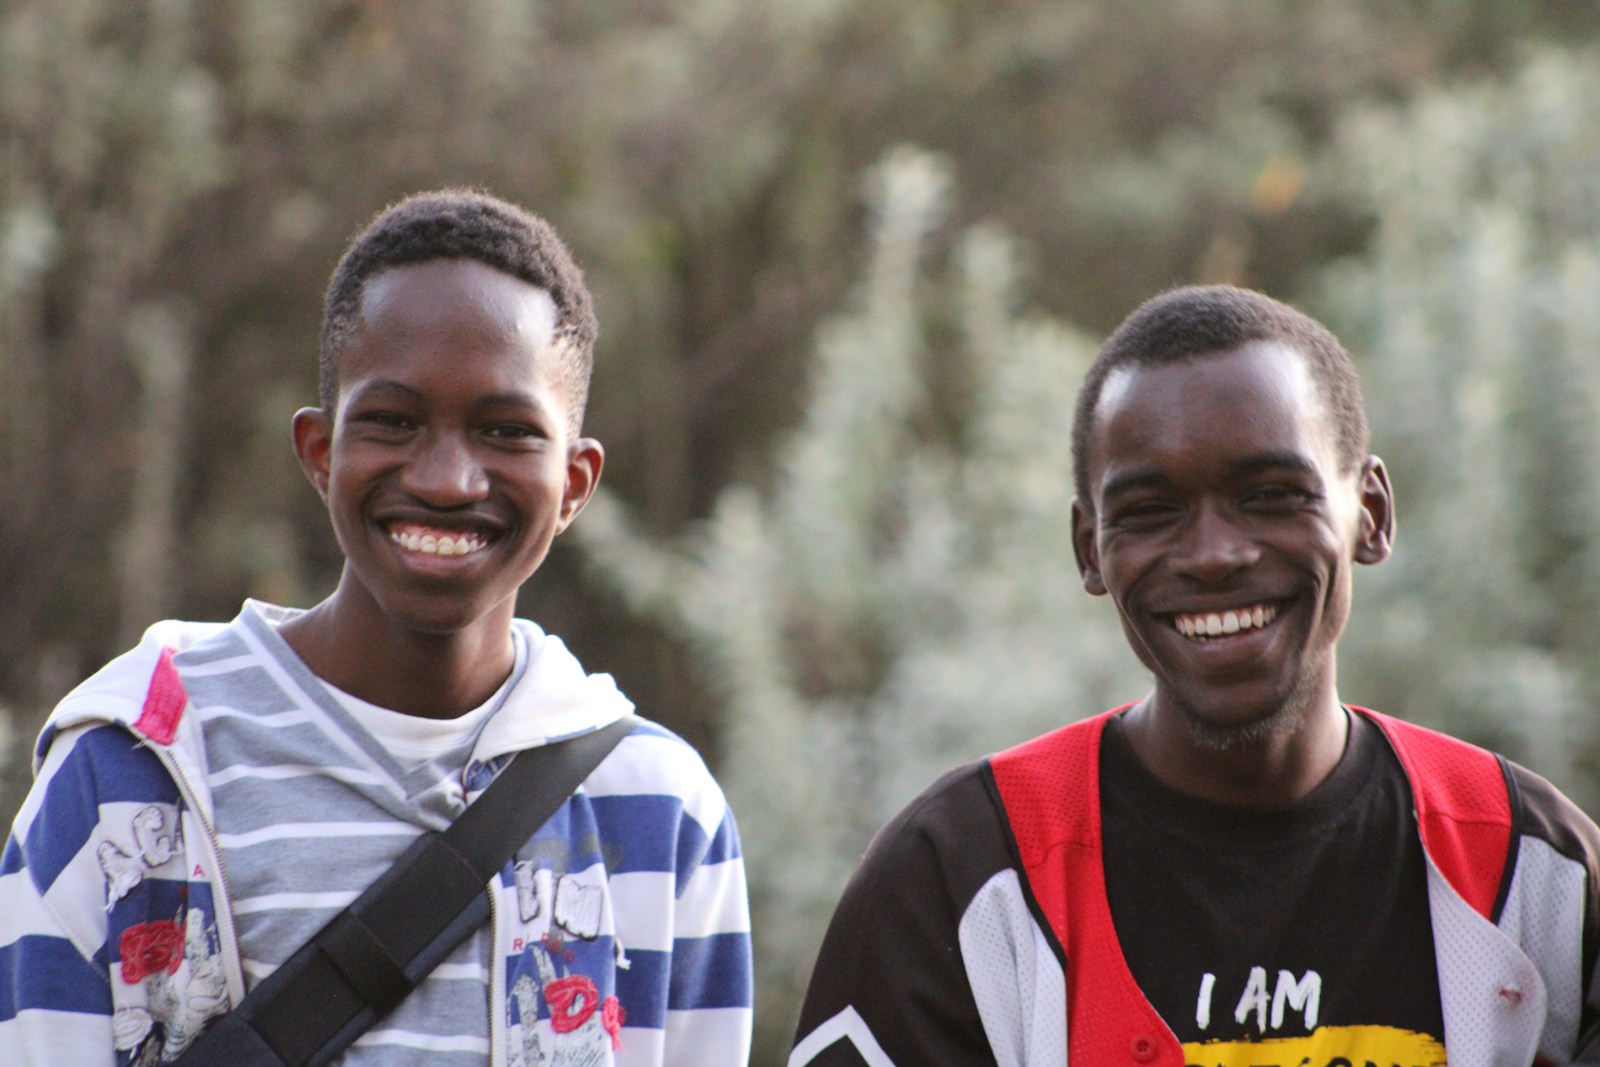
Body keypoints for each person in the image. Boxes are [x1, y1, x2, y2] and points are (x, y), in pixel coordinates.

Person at [0, 190, 752, 1066]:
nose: (444, 478)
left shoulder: (662, 815)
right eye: (394, 420)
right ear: (320, 452)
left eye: (507, 430)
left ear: (576, 482)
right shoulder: (127, 774)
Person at [788, 284, 1600, 1067]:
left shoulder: (1529, 869)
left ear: (1371, 514)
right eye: (1150, 510)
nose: (1215, 554)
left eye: (1272, 494)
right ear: (1090, 549)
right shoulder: (966, 877)